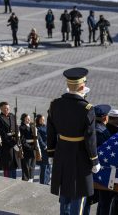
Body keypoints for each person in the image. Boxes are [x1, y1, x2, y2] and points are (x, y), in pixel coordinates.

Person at [47, 67, 100, 215]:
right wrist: (94, 160)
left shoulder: (55, 104)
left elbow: (51, 132)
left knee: (65, 192)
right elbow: (90, 139)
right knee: (79, 193)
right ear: (83, 87)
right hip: (80, 156)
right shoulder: (87, 109)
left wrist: (51, 153)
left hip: (62, 153)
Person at [0, 102, 19, 179]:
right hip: (6, 146)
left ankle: (14, 181)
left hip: (14, 144)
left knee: (14, 165)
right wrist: (14, 144)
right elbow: (3, 135)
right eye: (5, 108)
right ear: (1, 109)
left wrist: (17, 140)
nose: (7, 110)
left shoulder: (12, 116)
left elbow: (16, 128)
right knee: (8, 167)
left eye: (8, 108)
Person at [19, 113, 36, 182]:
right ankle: (25, 180)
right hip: (26, 149)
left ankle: (31, 179)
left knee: (32, 165)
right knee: (26, 166)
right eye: (27, 118)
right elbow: (22, 140)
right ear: (23, 119)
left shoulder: (32, 125)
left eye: (29, 118)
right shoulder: (21, 127)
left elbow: (37, 135)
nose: (29, 119)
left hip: (34, 148)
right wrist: (30, 147)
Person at [36, 114, 51, 185]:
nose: (43, 120)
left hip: (49, 148)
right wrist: (44, 146)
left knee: (49, 165)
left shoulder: (46, 126)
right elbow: (39, 139)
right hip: (43, 149)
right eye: (42, 119)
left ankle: (47, 181)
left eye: (43, 119)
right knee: (44, 166)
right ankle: (43, 182)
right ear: (38, 120)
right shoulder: (37, 128)